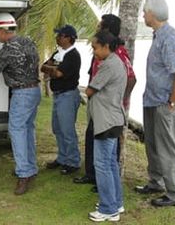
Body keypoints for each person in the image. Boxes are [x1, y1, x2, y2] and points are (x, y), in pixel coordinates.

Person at [135, 0, 175, 207]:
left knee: (168, 148)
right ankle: (156, 182)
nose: (142, 15)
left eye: (144, 11)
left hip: (165, 103)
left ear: (152, 14)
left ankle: (174, 194)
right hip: (153, 100)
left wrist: (172, 103)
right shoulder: (159, 36)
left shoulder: (169, 38)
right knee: (153, 145)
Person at [0, 12, 41, 195]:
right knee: (28, 129)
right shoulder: (29, 42)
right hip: (34, 91)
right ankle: (31, 167)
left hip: (21, 94)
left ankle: (24, 174)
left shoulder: (7, 50)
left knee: (17, 131)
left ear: (2, 30)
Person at [73, 14, 136, 191]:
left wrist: (120, 99)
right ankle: (92, 175)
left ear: (107, 30)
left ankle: (103, 183)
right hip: (98, 103)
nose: (97, 28)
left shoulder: (118, 53)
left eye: (100, 26)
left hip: (108, 108)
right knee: (92, 139)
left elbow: (131, 78)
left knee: (107, 153)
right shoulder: (101, 50)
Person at [86, 30, 126, 222]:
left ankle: (108, 208)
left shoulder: (109, 65)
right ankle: (115, 202)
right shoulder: (115, 62)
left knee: (102, 165)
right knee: (110, 164)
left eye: (95, 47)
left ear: (106, 46)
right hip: (113, 119)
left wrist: (89, 91)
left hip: (106, 121)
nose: (93, 51)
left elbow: (90, 89)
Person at [41, 25, 81, 175]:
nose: (57, 38)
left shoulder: (73, 55)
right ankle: (63, 157)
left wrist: (51, 69)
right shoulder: (58, 53)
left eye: (60, 35)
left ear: (69, 38)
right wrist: (51, 69)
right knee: (57, 128)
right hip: (58, 94)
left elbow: (57, 73)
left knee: (67, 130)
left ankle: (73, 161)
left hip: (68, 94)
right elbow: (43, 67)